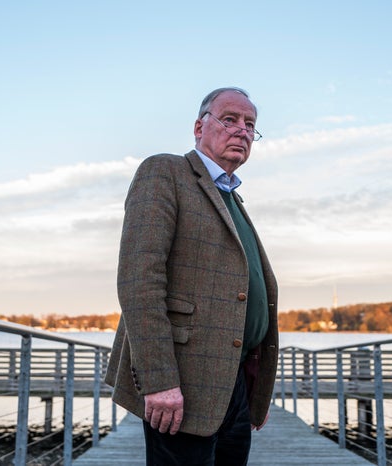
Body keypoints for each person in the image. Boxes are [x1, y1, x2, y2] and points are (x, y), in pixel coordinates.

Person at [105, 87, 279, 466]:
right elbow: (139, 280)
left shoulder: (231, 197)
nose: (243, 131)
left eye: (251, 125)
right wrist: (159, 380)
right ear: (200, 127)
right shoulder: (165, 171)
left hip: (234, 383)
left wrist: (254, 383)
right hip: (183, 380)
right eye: (230, 119)